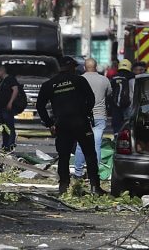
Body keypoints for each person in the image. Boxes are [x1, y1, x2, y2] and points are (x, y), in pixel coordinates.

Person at [36, 56, 105, 196]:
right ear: (72, 67)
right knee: (90, 154)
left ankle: (63, 186)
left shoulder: (50, 84)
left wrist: (50, 124)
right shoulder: (79, 80)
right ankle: (95, 187)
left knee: (64, 156)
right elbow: (91, 99)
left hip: (62, 124)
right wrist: (84, 112)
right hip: (81, 122)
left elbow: (40, 106)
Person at [73, 58, 111, 180]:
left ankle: (78, 173)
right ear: (96, 67)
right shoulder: (104, 80)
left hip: (83, 116)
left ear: (84, 67)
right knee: (96, 145)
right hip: (99, 116)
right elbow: (109, 94)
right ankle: (94, 173)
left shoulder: (78, 80)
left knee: (81, 145)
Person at [0, 65, 20, 151]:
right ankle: (5, 145)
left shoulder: (10, 79)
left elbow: (15, 90)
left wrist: (10, 102)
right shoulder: (1, 81)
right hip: (1, 107)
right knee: (3, 127)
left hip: (6, 107)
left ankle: (10, 144)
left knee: (9, 127)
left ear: (2, 71)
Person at [110, 59, 135, 135]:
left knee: (116, 125)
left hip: (115, 106)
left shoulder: (114, 78)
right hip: (128, 105)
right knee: (127, 124)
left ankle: (116, 136)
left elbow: (109, 92)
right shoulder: (132, 78)